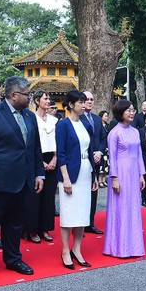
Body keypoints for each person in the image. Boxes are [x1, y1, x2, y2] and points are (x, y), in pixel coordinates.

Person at [0, 76, 44, 282]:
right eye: (27, 94)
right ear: (13, 95)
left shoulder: (29, 116)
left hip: (23, 181)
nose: (30, 97)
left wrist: (38, 173)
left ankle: (13, 258)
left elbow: (35, 148)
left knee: (15, 224)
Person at [56, 90, 96, 268]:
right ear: (71, 105)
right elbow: (61, 153)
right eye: (80, 102)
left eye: (84, 101)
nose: (84, 105)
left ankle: (77, 249)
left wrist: (94, 175)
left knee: (82, 213)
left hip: (86, 170)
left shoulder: (86, 125)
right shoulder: (63, 124)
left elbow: (90, 150)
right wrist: (65, 178)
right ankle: (65, 250)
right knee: (68, 213)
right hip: (70, 174)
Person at [103, 100, 146, 258]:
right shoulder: (114, 133)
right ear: (120, 113)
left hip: (134, 173)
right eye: (128, 110)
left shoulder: (135, 131)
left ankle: (134, 246)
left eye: (133, 110)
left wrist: (141, 174)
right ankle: (118, 247)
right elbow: (112, 158)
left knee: (133, 207)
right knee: (120, 208)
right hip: (120, 173)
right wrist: (114, 177)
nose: (132, 113)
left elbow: (139, 154)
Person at [31, 91, 58, 242]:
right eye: (45, 98)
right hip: (37, 158)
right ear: (37, 101)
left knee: (49, 196)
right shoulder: (31, 118)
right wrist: (41, 162)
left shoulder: (54, 120)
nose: (48, 101)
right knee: (35, 195)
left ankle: (45, 228)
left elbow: (58, 141)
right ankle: (32, 229)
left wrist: (55, 158)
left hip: (52, 158)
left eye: (49, 99)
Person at [80, 91, 107, 234]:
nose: (89, 101)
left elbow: (103, 138)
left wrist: (99, 152)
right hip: (82, 161)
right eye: (86, 99)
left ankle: (90, 222)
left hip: (96, 160)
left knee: (93, 192)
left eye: (91, 99)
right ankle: (80, 224)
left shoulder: (97, 119)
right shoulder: (77, 118)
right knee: (81, 193)